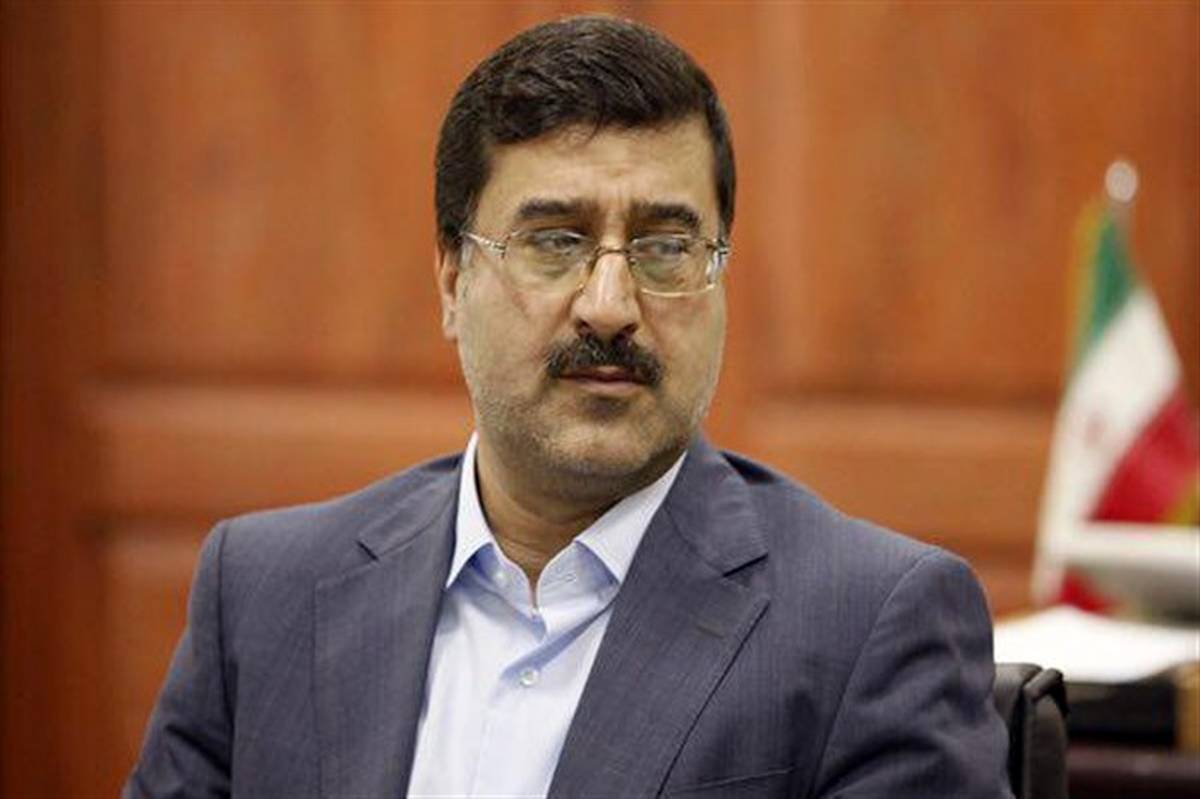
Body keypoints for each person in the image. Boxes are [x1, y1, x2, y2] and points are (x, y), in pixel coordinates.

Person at [125, 15, 1012, 799]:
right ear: (451, 280)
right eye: (555, 241)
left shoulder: (867, 625)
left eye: (667, 246)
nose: (611, 306)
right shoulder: (265, 593)